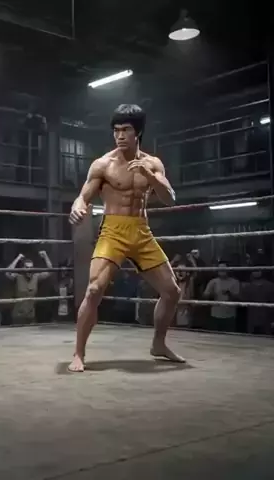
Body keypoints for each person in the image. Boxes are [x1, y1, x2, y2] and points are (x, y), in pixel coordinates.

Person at [67, 104, 184, 373]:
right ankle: (78, 353)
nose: (119, 136)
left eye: (126, 130)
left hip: (141, 230)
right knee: (94, 289)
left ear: (138, 132)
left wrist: (149, 175)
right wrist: (77, 206)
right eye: (116, 130)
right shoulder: (103, 165)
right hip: (113, 230)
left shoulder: (153, 163)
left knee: (172, 292)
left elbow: (170, 198)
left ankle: (158, 345)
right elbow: (83, 196)